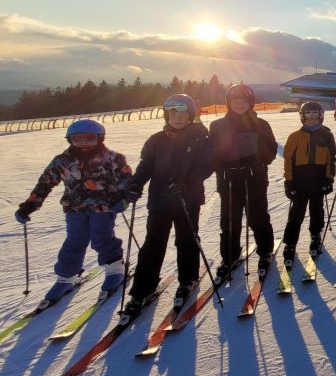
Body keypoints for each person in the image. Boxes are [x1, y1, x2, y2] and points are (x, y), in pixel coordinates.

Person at [15, 120, 130, 308]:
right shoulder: (62, 161)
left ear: (99, 138)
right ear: (70, 140)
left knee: (102, 237)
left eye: (89, 138)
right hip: (74, 208)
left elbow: (127, 180)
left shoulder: (113, 158)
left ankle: (114, 268)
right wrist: (29, 206)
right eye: (78, 139)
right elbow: (45, 183)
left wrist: (123, 198)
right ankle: (66, 276)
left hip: (103, 207)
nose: (83, 142)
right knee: (75, 240)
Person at [121, 94, 213, 319]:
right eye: (174, 114)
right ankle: (142, 290)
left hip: (187, 198)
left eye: (183, 114)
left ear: (190, 115)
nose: (178, 118)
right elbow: (146, 166)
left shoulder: (200, 138)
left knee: (186, 239)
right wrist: (135, 184)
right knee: (153, 242)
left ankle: (188, 278)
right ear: (167, 114)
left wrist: (188, 182)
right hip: (160, 199)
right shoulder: (156, 140)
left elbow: (207, 166)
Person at [209, 84, 278, 284]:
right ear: (229, 103)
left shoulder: (261, 124)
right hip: (228, 179)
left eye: (244, 101)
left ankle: (265, 251)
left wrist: (255, 162)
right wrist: (221, 166)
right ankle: (229, 256)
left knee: (257, 216)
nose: (240, 105)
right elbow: (211, 152)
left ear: (250, 103)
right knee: (229, 219)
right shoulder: (218, 126)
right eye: (235, 101)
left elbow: (271, 149)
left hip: (253, 178)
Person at [282, 101, 336, 268]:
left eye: (315, 114)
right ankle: (290, 243)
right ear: (302, 117)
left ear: (320, 116)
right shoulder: (295, 137)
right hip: (300, 181)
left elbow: (331, 159)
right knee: (296, 213)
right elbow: (288, 160)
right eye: (308, 115)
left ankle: (315, 235)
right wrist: (289, 181)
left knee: (317, 209)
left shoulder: (327, 135)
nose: (311, 118)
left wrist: (329, 179)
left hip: (318, 179)